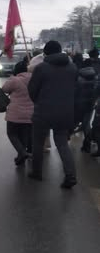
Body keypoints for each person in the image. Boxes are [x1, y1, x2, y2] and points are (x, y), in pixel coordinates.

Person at [28, 40, 78, 188]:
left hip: (43, 112)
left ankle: (37, 172)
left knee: (37, 143)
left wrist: (39, 101)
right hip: (65, 112)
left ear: (46, 53)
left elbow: (32, 91)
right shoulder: (72, 67)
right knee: (62, 144)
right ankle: (71, 175)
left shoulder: (41, 68)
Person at [2, 60, 33, 165]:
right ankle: (20, 157)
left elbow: (4, 89)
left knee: (12, 134)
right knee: (24, 136)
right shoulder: (34, 79)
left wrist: (11, 78)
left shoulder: (15, 80)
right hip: (30, 114)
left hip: (15, 114)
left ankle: (22, 153)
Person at [74, 65, 97, 152]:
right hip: (89, 107)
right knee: (86, 126)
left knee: (73, 124)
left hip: (78, 107)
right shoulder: (94, 83)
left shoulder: (78, 83)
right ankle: (87, 145)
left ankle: (66, 139)